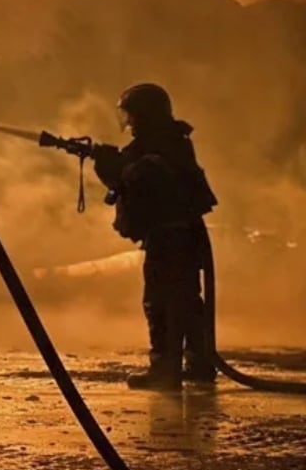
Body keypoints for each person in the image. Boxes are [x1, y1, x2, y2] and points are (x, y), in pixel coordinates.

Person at [92, 83, 218, 391]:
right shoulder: (169, 142)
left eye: (133, 115)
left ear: (146, 115)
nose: (130, 123)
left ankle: (165, 369)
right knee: (187, 301)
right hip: (184, 237)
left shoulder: (160, 148)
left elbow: (134, 180)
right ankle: (199, 363)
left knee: (161, 302)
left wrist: (108, 167)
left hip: (170, 239)